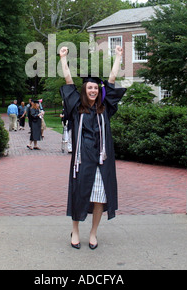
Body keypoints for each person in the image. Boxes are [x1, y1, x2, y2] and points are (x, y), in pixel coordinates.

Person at [59, 45, 126, 250]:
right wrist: (63, 58)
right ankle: (76, 231)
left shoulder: (104, 109)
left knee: (100, 198)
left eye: (96, 88)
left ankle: (94, 233)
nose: (93, 90)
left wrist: (118, 57)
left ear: (99, 91)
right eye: (89, 87)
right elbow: (68, 80)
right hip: (82, 160)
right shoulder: (76, 107)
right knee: (79, 194)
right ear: (84, 90)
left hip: (102, 159)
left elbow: (112, 80)